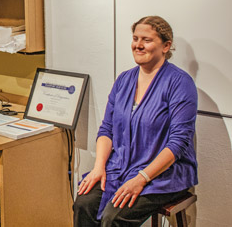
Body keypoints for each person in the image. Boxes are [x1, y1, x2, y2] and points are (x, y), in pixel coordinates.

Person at [73, 16, 198, 226]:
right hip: (120, 166)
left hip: (161, 174)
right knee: (84, 203)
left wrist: (141, 178)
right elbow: (107, 129)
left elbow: (178, 144)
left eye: (146, 40)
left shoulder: (180, 83)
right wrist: (98, 167)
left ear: (166, 46)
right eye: (135, 38)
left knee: (113, 217)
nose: (138, 45)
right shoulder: (124, 80)